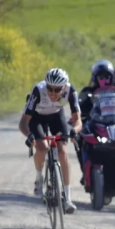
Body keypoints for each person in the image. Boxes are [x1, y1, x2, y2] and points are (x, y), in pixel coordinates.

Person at [19, 68, 82, 214]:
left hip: (56, 116)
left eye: (57, 89)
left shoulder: (71, 91)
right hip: (37, 117)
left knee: (63, 150)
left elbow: (77, 120)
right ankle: (39, 177)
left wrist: (75, 130)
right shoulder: (38, 91)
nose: (53, 93)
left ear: (64, 87)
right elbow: (23, 123)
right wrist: (29, 135)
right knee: (42, 147)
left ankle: (67, 198)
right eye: (50, 88)